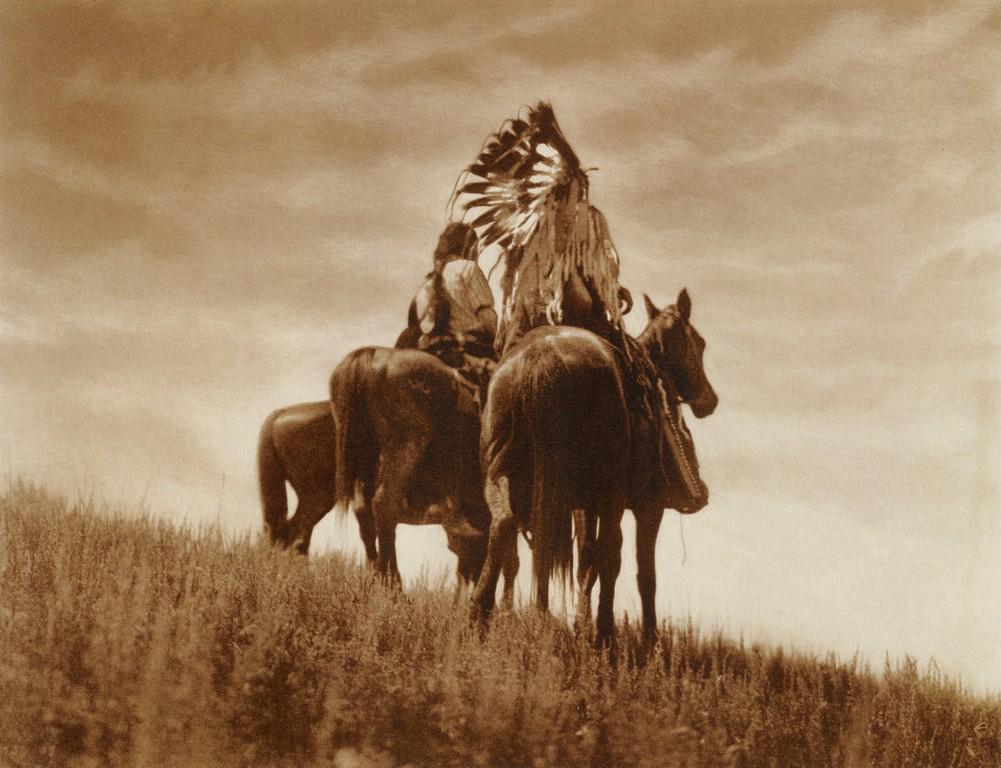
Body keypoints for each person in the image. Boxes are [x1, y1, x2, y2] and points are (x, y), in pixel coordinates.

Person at [396, 222, 498, 403]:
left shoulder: (425, 285)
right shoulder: (468, 268)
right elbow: (489, 322)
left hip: (429, 357)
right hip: (469, 356)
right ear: (471, 247)